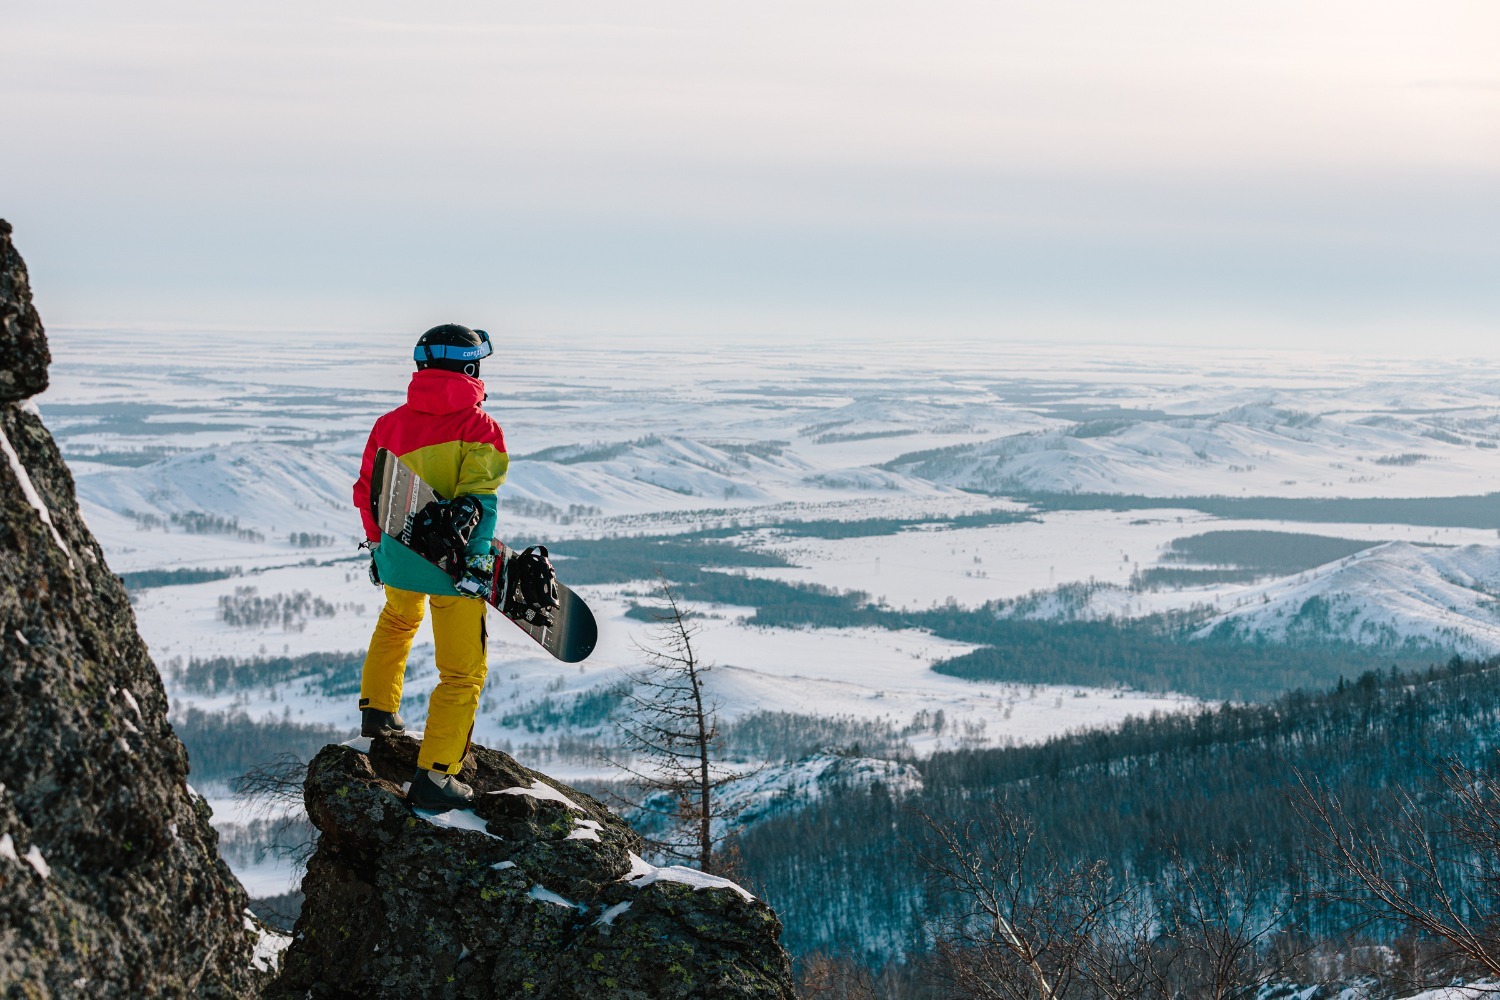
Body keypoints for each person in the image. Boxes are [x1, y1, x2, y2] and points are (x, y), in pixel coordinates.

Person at [352, 324, 507, 810]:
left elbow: (367, 494)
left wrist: (379, 549)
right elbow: (478, 503)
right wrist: (478, 565)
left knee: (397, 621)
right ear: (470, 367)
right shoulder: (480, 427)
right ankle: (436, 777)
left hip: (399, 560)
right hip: (452, 570)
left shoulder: (388, 424)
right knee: (463, 672)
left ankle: (377, 713)